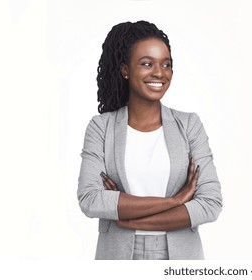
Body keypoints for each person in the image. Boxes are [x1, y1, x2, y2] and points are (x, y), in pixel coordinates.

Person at [77, 20, 222, 260]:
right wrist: (176, 201)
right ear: (125, 70)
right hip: (118, 254)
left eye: (166, 64)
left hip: (180, 257)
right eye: (147, 63)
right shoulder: (101, 128)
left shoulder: (189, 125)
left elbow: (210, 203)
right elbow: (90, 199)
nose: (159, 73)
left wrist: (126, 216)